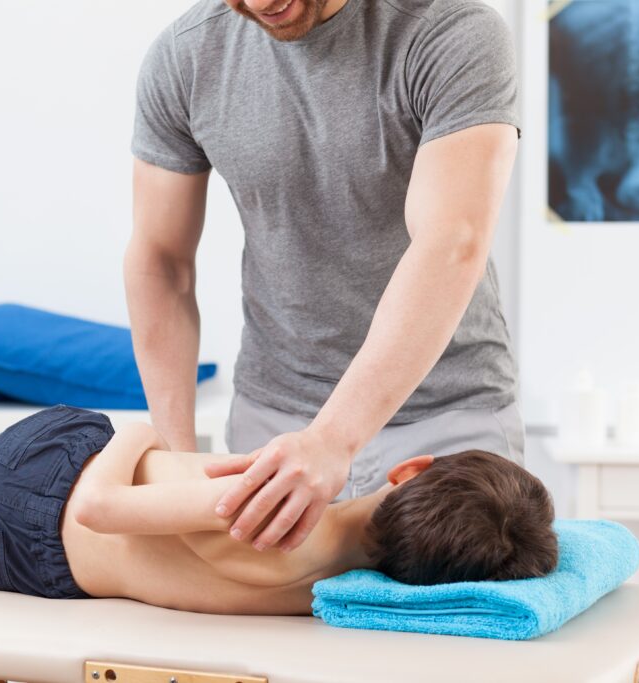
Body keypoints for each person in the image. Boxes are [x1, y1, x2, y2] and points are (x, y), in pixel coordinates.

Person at [125, 0, 525, 555]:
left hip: (446, 423)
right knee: (259, 637)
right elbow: (161, 261)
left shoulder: (451, 30)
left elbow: (451, 242)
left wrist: (333, 440)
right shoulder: (186, 55)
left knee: (451, 636)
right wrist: (176, 455)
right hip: (273, 421)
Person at [0, 406, 557, 614]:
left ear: (409, 471)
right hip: (46, 555)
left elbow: (96, 506)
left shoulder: (262, 520)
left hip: (46, 492)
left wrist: (136, 427)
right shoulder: (336, 584)